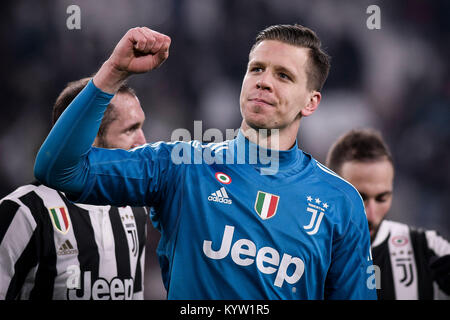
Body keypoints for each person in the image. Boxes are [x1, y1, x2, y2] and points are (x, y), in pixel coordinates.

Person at [34, 25, 377, 299]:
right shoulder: (181, 165)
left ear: (311, 101)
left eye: (283, 76)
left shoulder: (340, 202)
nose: (263, 81)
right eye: (256, 68)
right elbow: (59, 170)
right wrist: (112, 73)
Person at [0, 77, 149, 300]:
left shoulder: (134, 210)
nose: (143, 142)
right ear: (87, 138)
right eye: (131, 130)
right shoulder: (24, 212)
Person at [326, 128, 450, 299]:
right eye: (359, 199)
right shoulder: (299, 253)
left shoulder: (427, 248)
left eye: (382, 198)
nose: (371, 215)